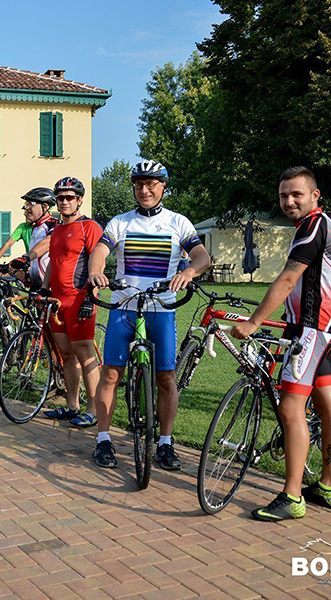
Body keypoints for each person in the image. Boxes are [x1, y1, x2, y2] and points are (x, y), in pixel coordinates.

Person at [233, 167, 331, 521]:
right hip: (328, 330)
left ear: (315, 196)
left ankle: (292, 496)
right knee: (328, 403)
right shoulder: (328, 225)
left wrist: (253, 322)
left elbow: (286, 279)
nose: (288, 201)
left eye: (296, 194)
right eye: (284, 195)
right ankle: (329, 486)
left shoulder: (313, 225)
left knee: (289, 408)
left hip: (311, 331)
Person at [87, 160, 211, 470]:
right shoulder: (120, 222)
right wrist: (96, 272)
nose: (145, 190)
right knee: (111, 375)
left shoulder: (178, 222)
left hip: (161, 310)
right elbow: (100, 251)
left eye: (151, 184)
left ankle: (165, 444)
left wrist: (191, 271)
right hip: (124, 308)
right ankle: (103, 439)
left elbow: (201, 255)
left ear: (163, 186)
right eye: (139, 184)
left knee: (166, 379)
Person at [40, 177, 102, 427]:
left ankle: (94, 410)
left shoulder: (89, 227)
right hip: (57, 301)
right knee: (66, 355)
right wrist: (44, 287)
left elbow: (98, 263)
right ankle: (72, 406)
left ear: (79, 200)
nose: (64, 202)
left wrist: (91, 297)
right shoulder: (56, 229)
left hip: (80, 299)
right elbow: (54, 263)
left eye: (69, 197)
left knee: (86, 355)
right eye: (60, 198)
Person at [8, 188, 57, 290]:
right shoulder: (36, 228)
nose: (27, 208)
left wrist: (25, 258)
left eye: (31, 204)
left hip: (51, 287)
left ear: (45, 206)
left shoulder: (54, 224)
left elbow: (48, 242)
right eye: (27, 204)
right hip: (35, 285)